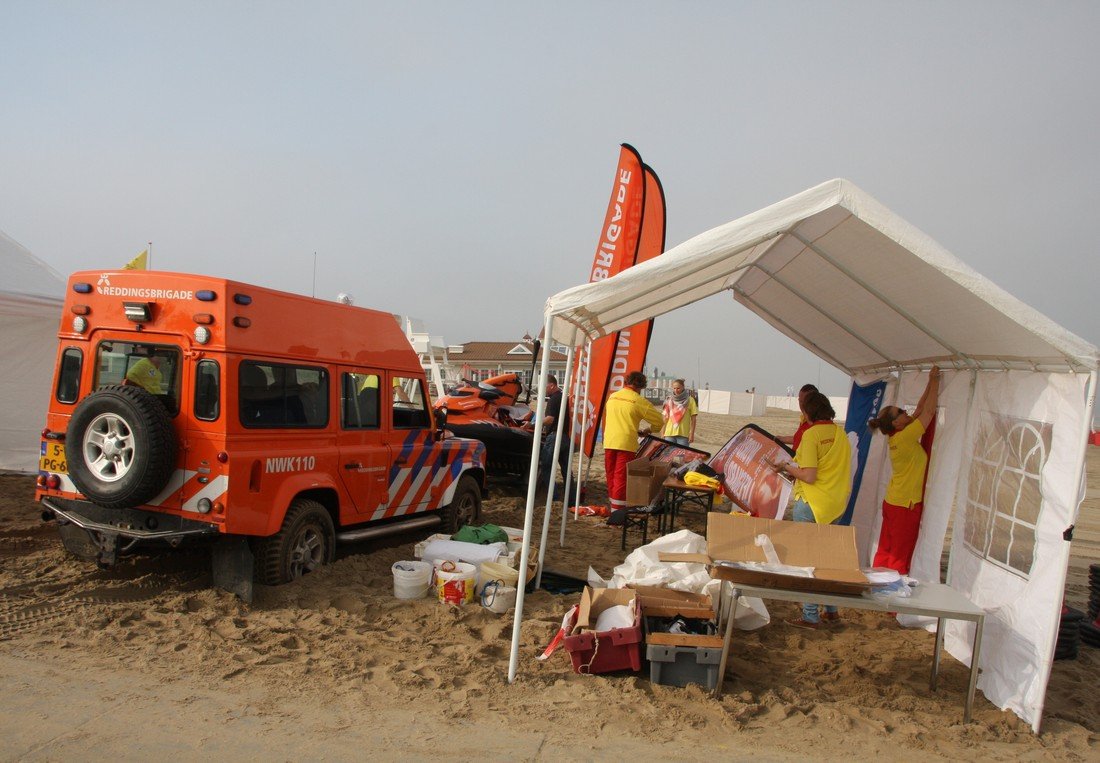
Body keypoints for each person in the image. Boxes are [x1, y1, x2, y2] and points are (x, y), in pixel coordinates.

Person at [769, 391, 852, 627]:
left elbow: (809, 475)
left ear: (808, 412)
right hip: (835, 504)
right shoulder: (840, 433)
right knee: (826, 559)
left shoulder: (811, 434)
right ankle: (832, 610)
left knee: (807, 561)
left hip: (812, 503)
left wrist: (785, 465)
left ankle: (810, 615)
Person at [867, 366, 941, 575]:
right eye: (900, 412)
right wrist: (935, 381)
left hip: (894, 501)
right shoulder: (906, 438)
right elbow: (927, 412)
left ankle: (877, 583)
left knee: (886, 548)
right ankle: (892, 600)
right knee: (900, 553)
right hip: (905, 505)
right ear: (896, 423)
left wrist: (930, 382)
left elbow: (919, 409)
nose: (905, 411)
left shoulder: (898, 436)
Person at [602, 371, 664, 511]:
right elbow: (659, 421)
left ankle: (613, 505)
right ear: (640, 387)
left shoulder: (613, 396)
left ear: (626, 382)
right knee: (621, 477)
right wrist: (649, 429)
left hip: (609, 440)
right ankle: (617, 511)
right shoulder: (638, 400)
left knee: (610, 474)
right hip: (626, 442)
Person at [777, 384, 818, 449]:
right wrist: (781, 439)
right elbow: (798, 439)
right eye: (800, 401)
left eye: (805, 401)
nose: (802, 405)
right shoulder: (804, 419)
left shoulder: (818, 422)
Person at [661, 379, 697, 446]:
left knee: (681, 456)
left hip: (683, 434)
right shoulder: (669, 400)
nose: (676, 390)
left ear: (683, 387)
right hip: (669, 433)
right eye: (674, 388)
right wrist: (662, 432)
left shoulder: (690, 400)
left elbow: (693, 419)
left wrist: (691, 434)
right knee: (667, 455)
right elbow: (665, 418)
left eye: (678, 388)